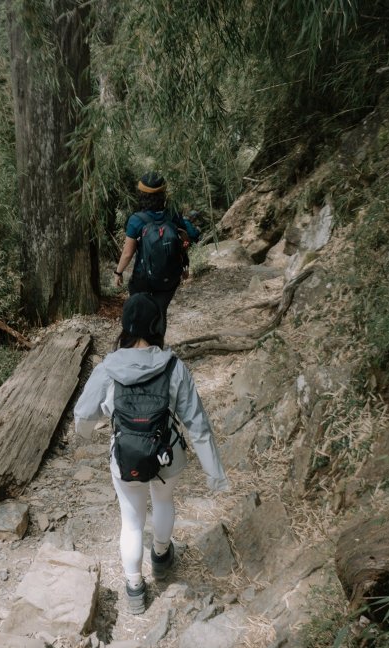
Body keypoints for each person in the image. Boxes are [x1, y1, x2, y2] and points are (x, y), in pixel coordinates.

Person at [73, 293, 229, 615]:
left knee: (130, 522)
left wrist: (87, 432)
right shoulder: (175, 367)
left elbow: (83, 416)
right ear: (159, 325)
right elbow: (197, 425)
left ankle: (134, 588)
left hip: (126, 459)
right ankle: (160, 555)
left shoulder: (108, 368)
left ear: (125, 327)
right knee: (163, 502)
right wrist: (215, 475)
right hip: (166, 458)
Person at [113, 172, 200, 317]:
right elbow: (183, 242)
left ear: (141, 194)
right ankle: (157, 337)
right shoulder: (173, 214)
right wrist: (185, 266)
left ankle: (142, 337)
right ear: (163, 194)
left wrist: (118, 272)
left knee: (141, 314)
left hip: (143, 279)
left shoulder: (136, 220)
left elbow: (128, 253)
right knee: (160, 313)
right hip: (170, 277)